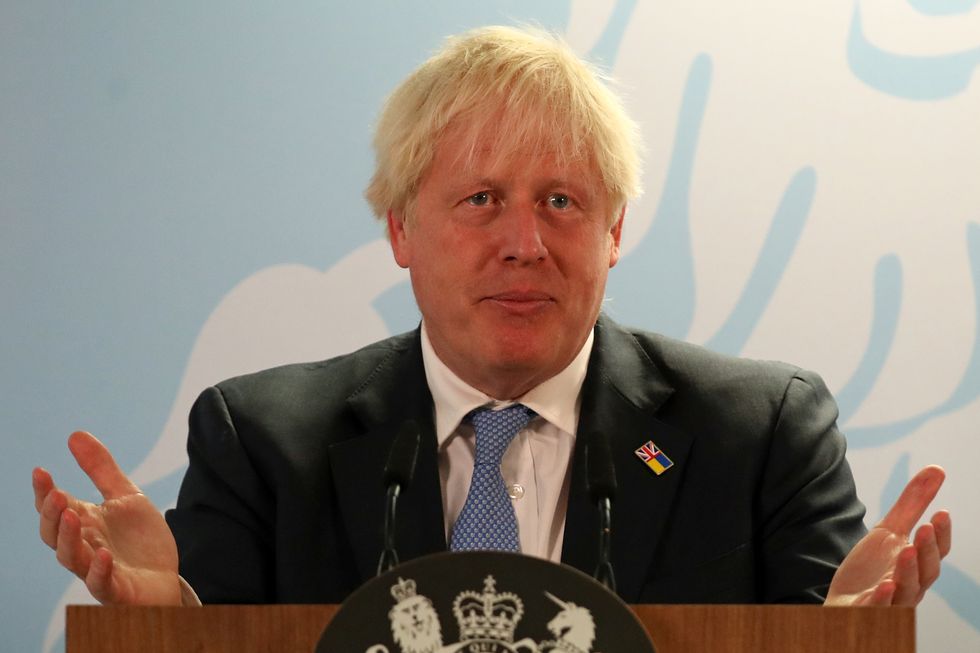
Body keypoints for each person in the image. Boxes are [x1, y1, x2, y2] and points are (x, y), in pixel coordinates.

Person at [33, 25, 950, 608]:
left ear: (614, 232)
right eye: (480, 199)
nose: (525, 243)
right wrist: (172, 627)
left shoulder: (760, 433)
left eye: (562, 201)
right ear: (400, 228)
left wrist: (847, 642)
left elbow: (828, 626)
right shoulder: (264, 443)